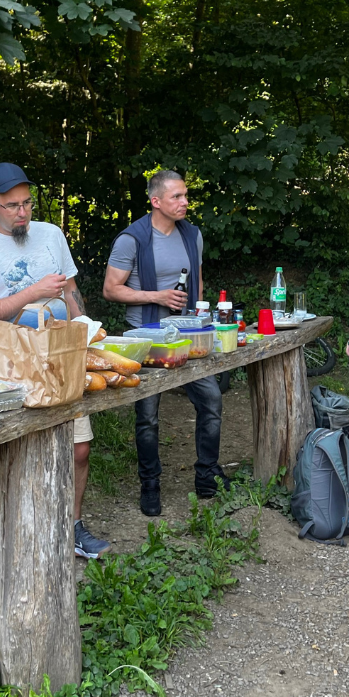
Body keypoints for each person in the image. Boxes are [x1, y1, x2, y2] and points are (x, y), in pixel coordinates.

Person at [0, 162, 110, 560]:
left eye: (27, 203)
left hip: (63, 355)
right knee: (19, 451)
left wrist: (86, 329)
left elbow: (71, 290)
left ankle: (73, 526)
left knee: (79, 448)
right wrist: (32, 292)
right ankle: (18, 539)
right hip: (11, 365)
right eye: (12, 206)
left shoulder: (52, 235)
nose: (23, 212)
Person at [103, 170, 230, 516]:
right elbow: (111, 289)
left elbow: (198, 283)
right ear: (155, 201)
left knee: (212, 401)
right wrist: (156, 295)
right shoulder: (132, 239)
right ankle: (150, 486)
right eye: (177, 197)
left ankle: (206, 476)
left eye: (186, 195)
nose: (185, 202)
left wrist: (201, 322)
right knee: (147, 416)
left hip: (186, 335)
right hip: (145, 339)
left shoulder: (193, 235)